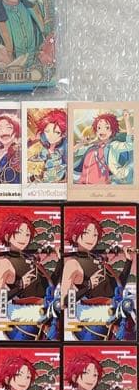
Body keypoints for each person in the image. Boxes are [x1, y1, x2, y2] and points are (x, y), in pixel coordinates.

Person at [61, 213, 136, 342]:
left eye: (95, 235)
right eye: (87, 233)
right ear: (74, 236)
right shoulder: (72, 264)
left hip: (115, 313)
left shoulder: (98, 260)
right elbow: (65, 303)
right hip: (94, 317)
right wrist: (88, 285)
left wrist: (128, 261)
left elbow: (118, 287)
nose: (92, 238)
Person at [74, 112, 132, 186]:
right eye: (99, 128)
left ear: (112, 130)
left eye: (107, 127)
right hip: (83, 183)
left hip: (101, 185)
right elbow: (74, 152)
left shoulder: (113, 145)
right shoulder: (92, 146)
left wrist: (127, 121)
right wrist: (81, 144)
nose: (102, 131)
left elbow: (130, 145)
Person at [27, 108, 67, 184]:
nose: (51, 136)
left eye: (57, 132)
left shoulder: (61, 150)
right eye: (47, 131)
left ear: (63, 134)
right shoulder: (40, 148)